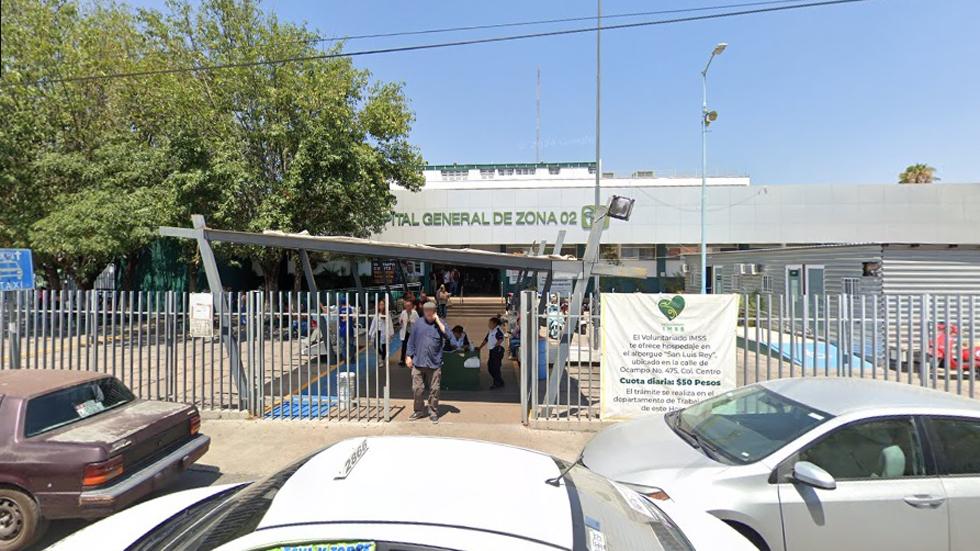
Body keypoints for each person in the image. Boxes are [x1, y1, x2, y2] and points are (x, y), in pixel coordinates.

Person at [405, 301, 449, 423]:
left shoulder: (441, 324)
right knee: (417, 389)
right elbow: (411, 341)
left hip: (434, 363)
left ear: (435, 312)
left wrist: (438, 321)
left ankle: (433, 411)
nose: (429, 313)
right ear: (424, 312)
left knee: (435, 389)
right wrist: (408, 356)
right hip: (419, 361)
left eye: (432, 311)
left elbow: (448, 336)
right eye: (427, 311)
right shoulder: (418, 324)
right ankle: (419, 410)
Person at [477, 316, 506, 389]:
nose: (489, 325)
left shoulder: (498, 331)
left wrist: (496, 346)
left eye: (490, 323)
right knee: (490, 367)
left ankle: (497, 383)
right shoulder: (491, 331)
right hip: (492, 351)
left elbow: (501, 339)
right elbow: (486, 340)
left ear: (495, 324)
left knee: (495, 367)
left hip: (497, 351)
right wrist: (480, 347)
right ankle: (499, 380)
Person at [397, 299, 418, 366]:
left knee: (412, 346)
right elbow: (400, 320)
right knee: (404, 346)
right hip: (405, 331)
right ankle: (402, 360)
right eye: (406, 306)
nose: (407, 307)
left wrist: (411, 321)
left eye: (409, 305)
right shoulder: (403, 312)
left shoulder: (414, 313)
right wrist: (400, 321)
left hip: (411, 332)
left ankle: (412, 360)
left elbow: (418, 321)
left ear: (411, 306)